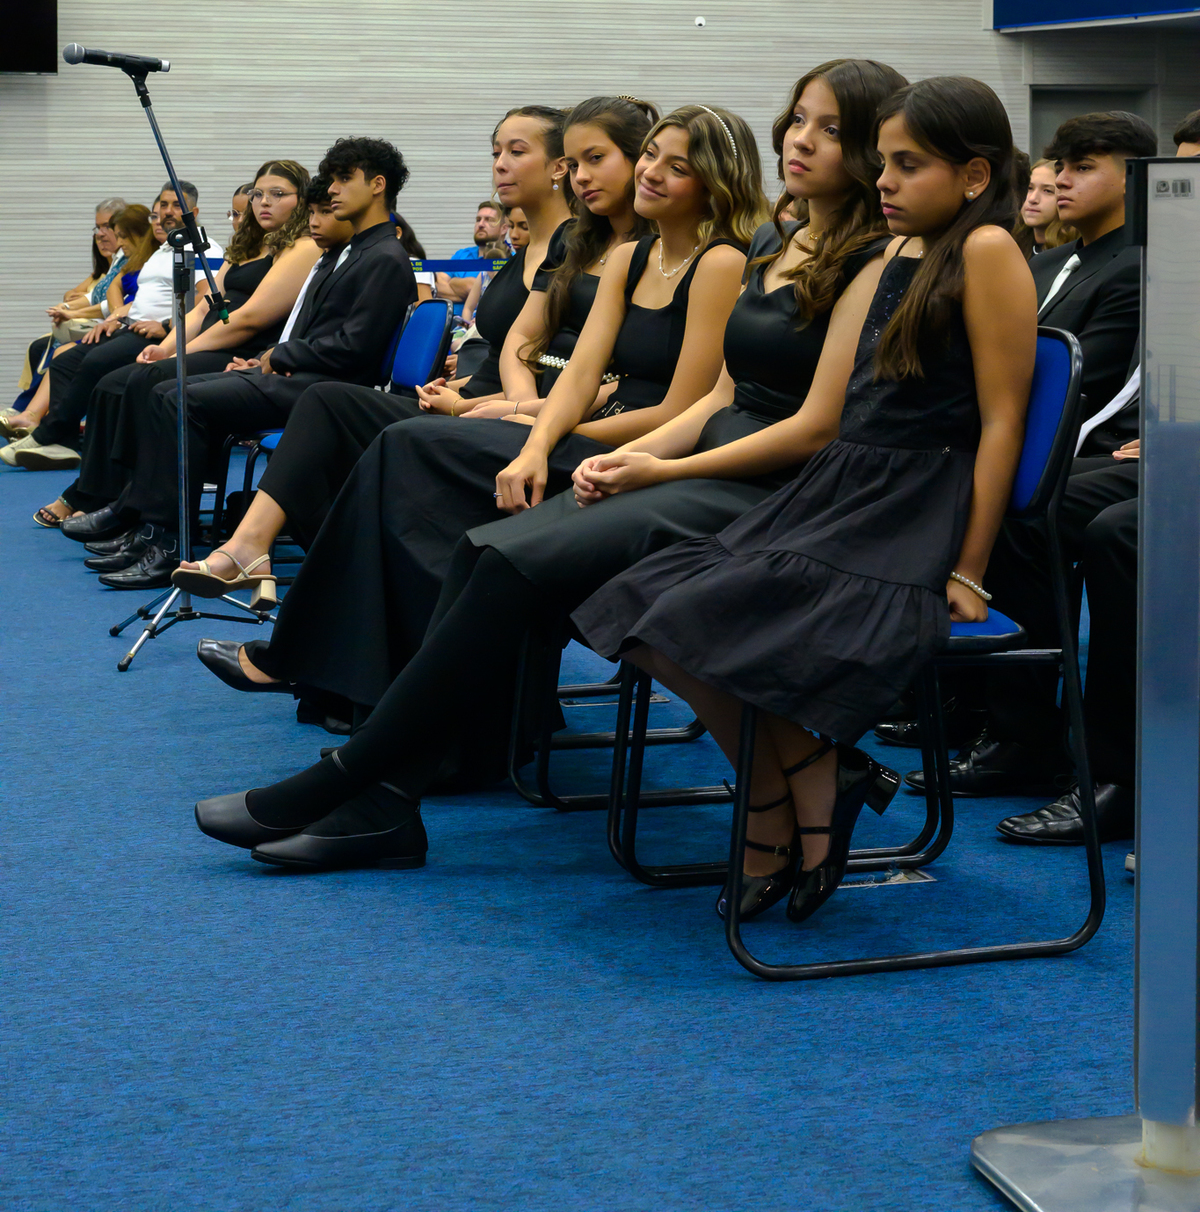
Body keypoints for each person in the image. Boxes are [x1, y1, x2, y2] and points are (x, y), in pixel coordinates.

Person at [192, 76, 1036, 898]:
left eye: (834, 131)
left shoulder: (885, 254)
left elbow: (851, 425)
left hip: (781, 485)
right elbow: (721, 396)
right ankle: (380, 783)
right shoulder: (785, 244)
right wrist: (624, 454)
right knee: (483, 543)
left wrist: (967, 567)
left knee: (513, 560)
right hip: (722, 459)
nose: (801, 141)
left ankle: (364, 779)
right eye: (798, 121)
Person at [192, 102, 758, 726]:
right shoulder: (622, 254)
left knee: (406, 451)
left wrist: (527, 421)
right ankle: (347, 678)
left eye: (598, 159)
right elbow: (561, 365)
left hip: (623, 446)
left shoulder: (714, 261)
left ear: (710, 179)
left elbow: (673, 405)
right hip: (561, 424)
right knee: (386, 443)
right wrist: (531, 427)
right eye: (647, 155)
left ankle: (362, 683)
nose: (588, 174)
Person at [911, 107, 1157, 799]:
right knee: (970, 488)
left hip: (1088, 441)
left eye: (1085, 168)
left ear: (1133, 180)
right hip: (1044, 436)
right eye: (1062, 167)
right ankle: (983, 710)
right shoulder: (1048, 261)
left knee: (1031, 510)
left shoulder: (1135, 267)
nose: (1063, 181)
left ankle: (1029, 735)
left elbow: (1084, 388)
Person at [82, 138, 418, 589]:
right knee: (165, 391)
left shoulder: (384, 256)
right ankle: (150, 530)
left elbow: (355, 349)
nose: (333, 190)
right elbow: (315, 331)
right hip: (301, 375)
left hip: (325, 390)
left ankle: (168, 542)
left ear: (377, 185)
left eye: (344, 179)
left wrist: (278, 355)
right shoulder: (350, 251)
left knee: (178, 398)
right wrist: (265, 359)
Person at [36, 163, 316, 539]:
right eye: (258, 194)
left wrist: (178, 356)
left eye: (278, 194)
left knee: (149, 380)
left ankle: (128, 504)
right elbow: (203, 309)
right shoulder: (247, 245)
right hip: (213, 340)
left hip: (242, 349)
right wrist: (165, 347)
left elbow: (247, 319)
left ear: (301, 200)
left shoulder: (301, 247)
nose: (264, 202)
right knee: (112, 383)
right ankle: (107, 491)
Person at [1, 183, 222, 470]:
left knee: (96, 361)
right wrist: (116, 317)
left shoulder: (203, 247)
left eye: (177, 205)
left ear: (194, 211)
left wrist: (167, 326)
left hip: (158, 334)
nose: (168, 211)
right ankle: (63, 443)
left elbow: (207, 299)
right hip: (130, 326)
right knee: (65, 361)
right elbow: (142, 298)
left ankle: (47, 435)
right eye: (163, 205)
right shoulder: (163, 249)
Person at [3, 203, 155, 441]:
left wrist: (105, 315)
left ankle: (44, 422)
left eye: (116, 232)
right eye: (100, 228)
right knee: (50, 348)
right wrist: (70, 308)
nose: (110, 237)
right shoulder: (127, 259)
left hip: (135, 327)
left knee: (65, 354)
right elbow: (108, 290)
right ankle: (34, 416)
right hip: (118, 321)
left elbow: (136, 302)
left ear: (138, 233)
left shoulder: (152, 260)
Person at [435, 201, 508, 303]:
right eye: (478, 220)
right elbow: (437, 286)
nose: (481, 224)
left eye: (489, 220)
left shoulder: (511, 259)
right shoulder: (461, 255)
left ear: (504, 229)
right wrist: (472, 292)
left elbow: (495, 296)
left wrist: (453, 281)